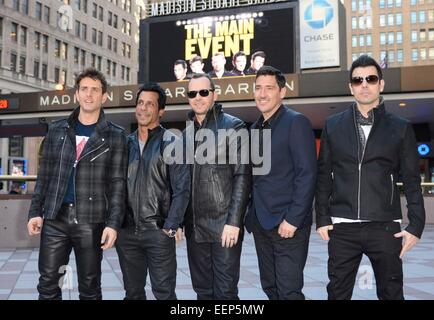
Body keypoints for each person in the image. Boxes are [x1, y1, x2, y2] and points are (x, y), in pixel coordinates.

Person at [315, 55, 426, 300]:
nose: (364, 84)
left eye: (371, 78)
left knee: (391, 293)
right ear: (351, 87)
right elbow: (323, 175)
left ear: (381, 84)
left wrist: (416, 225)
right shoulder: (333, 125)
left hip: (385, 227)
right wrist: (322, 217)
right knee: (337, 294)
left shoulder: (400, 127)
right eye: (358, 80)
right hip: (342, 228)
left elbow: (411, 179)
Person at [27, 68, 128, 300]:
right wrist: (35, 212)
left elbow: (118, 185)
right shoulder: (57, 130)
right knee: (49, 284)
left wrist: (112, 224)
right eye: (84, 89)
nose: (89, 95)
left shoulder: (116, 136)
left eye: (95, 90)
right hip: (55, 220)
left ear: (104, 97)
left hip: (91, 222)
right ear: (77, 94)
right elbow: (45, 176)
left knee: (89, 287)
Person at [245, 66, 317, 300]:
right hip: (261, 224)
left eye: (269, 88)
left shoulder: (296, 122)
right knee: (271, 288)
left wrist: (293, 219)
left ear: (282, 92)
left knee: (289, 291)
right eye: (258, 88)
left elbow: (306, 174)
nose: (262, 94)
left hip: (288, 226)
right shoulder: (254, 129)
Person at [116, 82, 190, 300]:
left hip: (158, 233)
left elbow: (182, 190)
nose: (143, 108)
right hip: (127, 233)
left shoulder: (173, 143)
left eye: (150, 104)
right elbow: (114, 186)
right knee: (132, 293)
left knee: (164, 294)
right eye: (140, 103)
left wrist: (170, 226)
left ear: (161, 111)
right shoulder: (124, 144)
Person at [183, 73, 251, 299]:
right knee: (202, 291)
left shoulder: (233, 126)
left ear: (214, 94)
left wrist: (234, 221)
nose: (198, 98)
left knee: (225, 292)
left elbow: (242, 176)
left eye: (204, 92)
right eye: (193, 93)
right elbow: (181, 183)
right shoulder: (186, 134)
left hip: (224, 227)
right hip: (194, 229)